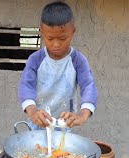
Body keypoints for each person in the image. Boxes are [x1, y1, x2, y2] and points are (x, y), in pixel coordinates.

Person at [18, 1, 98, 130]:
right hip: (38, 123)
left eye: (62, 39)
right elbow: (26, 86)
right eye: (50, 39)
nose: (56, 44)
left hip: (64, 126)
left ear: (73, 32)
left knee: (62, 151)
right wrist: (32, 111)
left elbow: (88, 86)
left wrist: (82, 115)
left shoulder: (78, 61)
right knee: (36, 149)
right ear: (42, 32)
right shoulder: (35, 60)